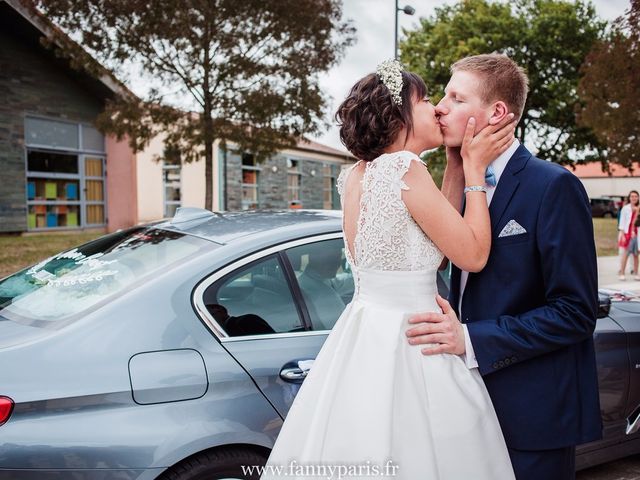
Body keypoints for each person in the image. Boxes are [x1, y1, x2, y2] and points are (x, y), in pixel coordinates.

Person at [260, 59, 517, 479]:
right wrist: (473, 172)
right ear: (399, 114)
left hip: (365, 333)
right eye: (428, 100)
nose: (437, 108)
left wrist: (452, 164)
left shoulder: (359, 176)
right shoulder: (403, 170)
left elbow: (433, 244)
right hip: (411, 340)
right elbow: (470, 255)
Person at [405, 54, 601, 480]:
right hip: (464, 406)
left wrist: (469, 337)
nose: (439, 107)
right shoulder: (455, 181)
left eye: (456, 98)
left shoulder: (553, 186)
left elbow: (575, 312)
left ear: (496, 113)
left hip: (533, 417)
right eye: (442, 96)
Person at [618, 190, 639, 280]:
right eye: (632, 196)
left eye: (636, 196)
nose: (634, 198)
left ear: (638, 198)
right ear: (629, 198)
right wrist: (622, 234)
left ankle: (636, 273)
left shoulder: (639, 208)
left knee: (636, 255)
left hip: (637, 234)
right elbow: (622, 222)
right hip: (627, 233)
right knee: (625, 254)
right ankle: (622, 273)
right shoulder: (625, 208)